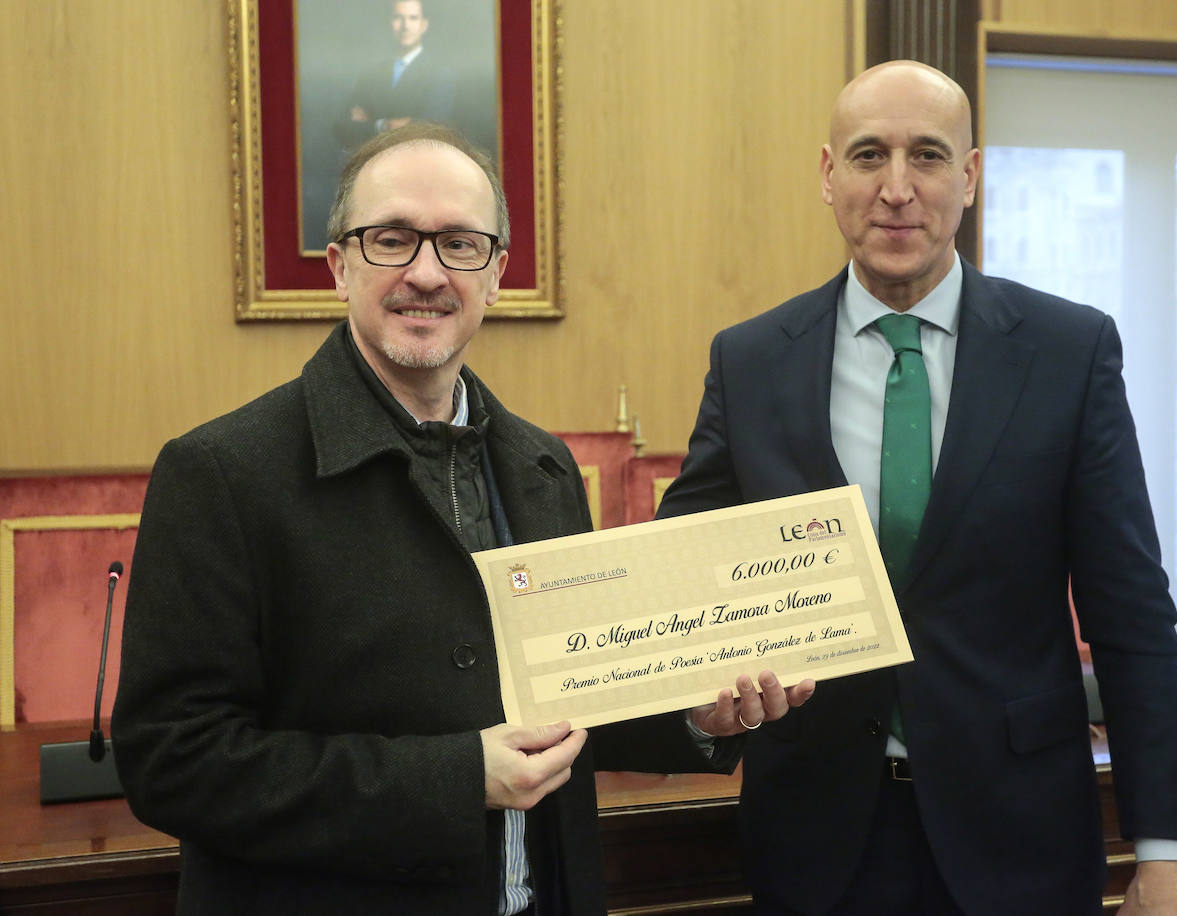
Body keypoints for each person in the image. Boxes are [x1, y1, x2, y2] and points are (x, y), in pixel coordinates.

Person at [112, 122, 812, 916]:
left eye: (459, 245)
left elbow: (573, 700)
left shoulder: (542, 470)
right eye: (392, 240)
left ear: (498, 274)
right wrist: (453, 780)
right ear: (339, 267)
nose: (426, 273)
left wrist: (692, 713)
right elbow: (174, 760)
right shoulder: (223, 473)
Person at [655, 61, 1177, 915]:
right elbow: (682, 573)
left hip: (1019, 838)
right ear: (828, 175)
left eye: (929, 156)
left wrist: (1167, 855)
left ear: (972, 176)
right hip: (816, 841)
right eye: (870, 156)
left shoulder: (1068, 353)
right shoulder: (751, 360)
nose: (898, 190)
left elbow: (1132, 613)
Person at [333, 1, 464, 150]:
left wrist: (372, 123)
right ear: (389, 23)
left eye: (413, 18)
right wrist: (387, 125)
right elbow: (342, 127)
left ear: (424, 25)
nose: (405, 26)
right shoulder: (372, 74)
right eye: (398, 18)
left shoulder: (440, 74)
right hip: (374, 165)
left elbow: (431, 131)